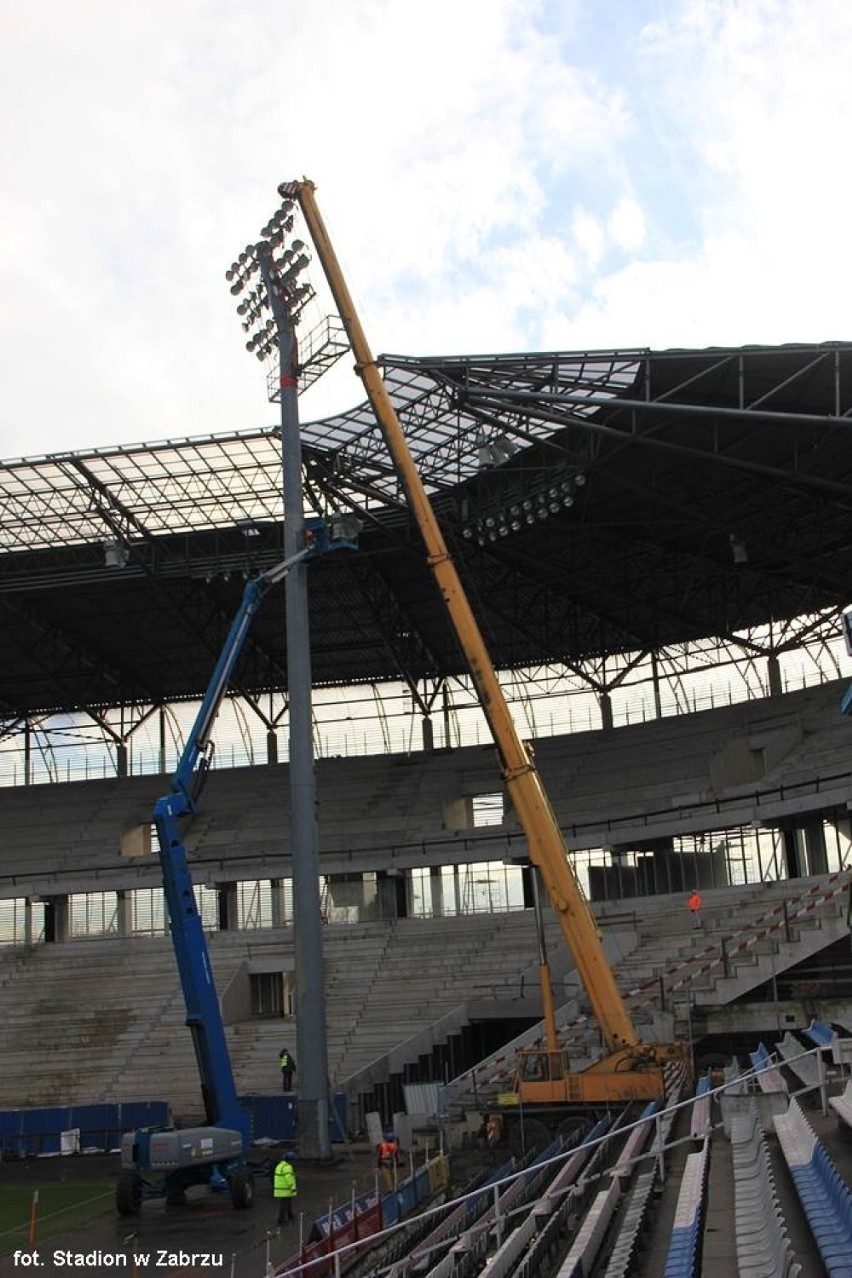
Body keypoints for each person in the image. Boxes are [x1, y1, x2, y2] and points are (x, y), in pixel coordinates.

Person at [273, 1150, 297, 1225]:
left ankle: (291, 1216)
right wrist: (292, 1187)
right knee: (284, 1205)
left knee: (287, 1203)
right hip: (285, 1189)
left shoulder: (280, 1165)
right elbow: (289, 1178)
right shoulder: (287, 1167)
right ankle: (281, 1220)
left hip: (280, 1189)